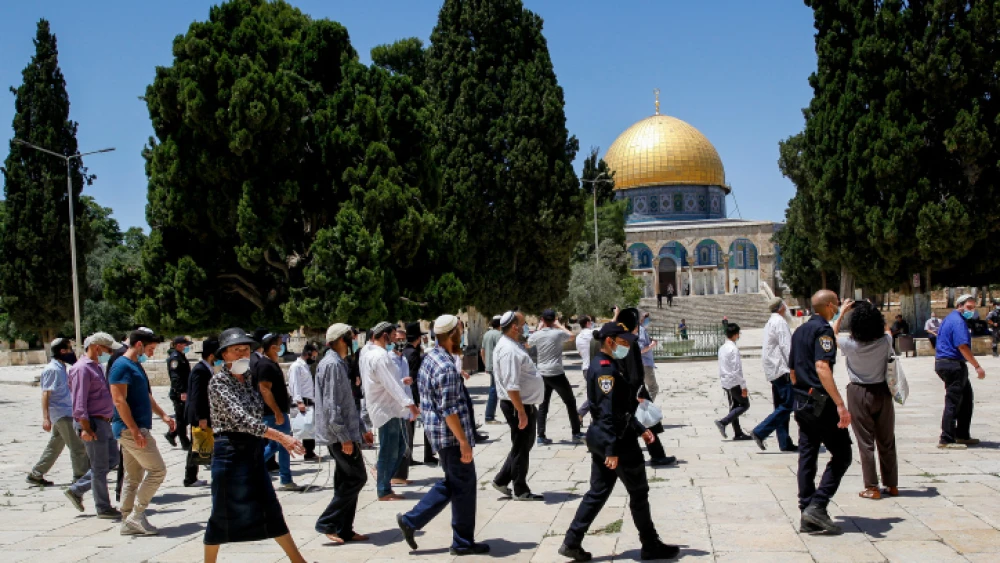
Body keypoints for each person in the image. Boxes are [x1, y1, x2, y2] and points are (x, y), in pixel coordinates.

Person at [558, 322, 679, 562]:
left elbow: (621, 408)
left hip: (607, 438)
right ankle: (650, 544)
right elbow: (607, 413)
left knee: (598, 491)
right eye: (621, 341)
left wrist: (641, 428)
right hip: (618, 442)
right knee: (639, 491)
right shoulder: (606, 369)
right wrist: (612, 450)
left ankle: (572, 540)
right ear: (609, 341)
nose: (625, 345)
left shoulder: (606, 365)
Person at [204, 328, 307, 563]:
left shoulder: (249, 378)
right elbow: (242, 420)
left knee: (269, 507)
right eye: (236, 349)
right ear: (225, 355)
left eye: (246, 349)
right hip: (229, 453)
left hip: (251, 451)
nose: (242, 353)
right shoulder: (218, 382)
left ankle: (297, 560)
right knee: (222, 514)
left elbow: (255, 415)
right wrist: (281, 437)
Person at [397, 315, 489, 556]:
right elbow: (449, 411)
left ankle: (411, 521)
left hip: (438, 435)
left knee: (454, 483)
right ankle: (461, 542)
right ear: (451, 335)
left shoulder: (431, 357)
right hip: (450, 438)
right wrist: (463, 442)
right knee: (464, 487)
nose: (462, 335)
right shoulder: (446, 367)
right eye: (459, 331)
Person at [790, 290, 852, 534]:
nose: (837, 307)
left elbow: (793, 371)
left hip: (801, 400)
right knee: (843, 454)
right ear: (828, 305)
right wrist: (839, 404)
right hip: (820, 402)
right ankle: (818, 504)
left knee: (808, 454)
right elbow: (822, 366)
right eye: (836, 304)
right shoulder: (822, 330)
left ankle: (806, 512)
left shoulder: (800, 331)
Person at [110, 329, 176, 536]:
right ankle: (136, 515)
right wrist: (134, 430)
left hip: (135, 428)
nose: (151, 353)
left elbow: (145, 396)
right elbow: (119, 400)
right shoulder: (120, 366)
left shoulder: (135, 365)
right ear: (138, 344)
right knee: (158, 471)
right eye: (150, 349)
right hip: (131, 430)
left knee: (133, 476)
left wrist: (163, 415)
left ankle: (127, 520)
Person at [314, 323, 373, 545]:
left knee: (346, 481)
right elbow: (332, 406)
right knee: (358, 477)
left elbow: (347, 402)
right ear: (341, 340)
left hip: (346, 433)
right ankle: (327, 522)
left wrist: (361, 430)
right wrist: (344, 437)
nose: (354, 340)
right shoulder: (332, 365)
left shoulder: (339, 363)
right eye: (351, 337)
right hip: (339, 436)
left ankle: (344, 529)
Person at [833, 300, 898, 500]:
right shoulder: (885, 341)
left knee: (865, 442)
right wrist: (873, 309)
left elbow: (830, 333)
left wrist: (842, 312)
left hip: (859, 392)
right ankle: (892, 484)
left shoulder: (849, 344)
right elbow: (888, 330)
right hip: (883, 391)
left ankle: (872, 486)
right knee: (886, 440)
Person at [64, 332, 122, 518]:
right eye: (107, 349)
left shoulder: (96, 367)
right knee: (99, 467)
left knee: (112, 460)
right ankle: (103, 507)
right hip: (92, 422)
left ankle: (77, 489)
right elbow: (79, 402)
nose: (110, 352)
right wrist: (85, 428)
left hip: (105, 421)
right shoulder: (82, 369)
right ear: (97, 347)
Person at [361, 321, 419, 501]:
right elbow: (389, 383)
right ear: (385, 335)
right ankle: (383, 489)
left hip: (391, 407)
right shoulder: (379, 356)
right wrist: (409, 403)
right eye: (393, 334)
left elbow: (384, 381)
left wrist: (402, 385)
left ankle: (382, 476)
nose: (396, 338)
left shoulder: (371, 353)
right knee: (390, 450)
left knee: (401, 446)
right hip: (386, 409)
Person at [491, 310, 545, 501]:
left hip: (521, 404)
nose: (525, 327)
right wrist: (521, 411)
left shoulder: (512, 345)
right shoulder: (509, 350)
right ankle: (520, 489)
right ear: (514, 327)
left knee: (522, 444)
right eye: (523, 324)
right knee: (522, 446)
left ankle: (501, 479)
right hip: (518, 405)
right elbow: (511, 385)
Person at [616, 308, 675, 467]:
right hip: (635, 389)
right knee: (647, 424)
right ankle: (656, 455)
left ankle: (655, 454)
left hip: (624, 388)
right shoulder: (631, 342)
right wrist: (640, 391)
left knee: (635, 424)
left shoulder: (617, 339)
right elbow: (634, 370)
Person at [27, 337, 89, 487]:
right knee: (78, 447)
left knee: (55, 446)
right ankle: (80, 479)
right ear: (62, 351)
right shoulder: (52, 370)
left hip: (66, 412)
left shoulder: (61, 368)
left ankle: (36, 474)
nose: (72, 352)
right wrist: (46, 418)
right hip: (62, 414)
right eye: (69, 348)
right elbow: (45, 394)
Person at [934, 294, 987, 449]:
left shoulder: (949, 319)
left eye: (973, 308)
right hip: (953, 365)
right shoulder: (958, 321)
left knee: (966, 398)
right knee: (954, 401)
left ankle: (962, 434)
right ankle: (946, 438)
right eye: (969, 307)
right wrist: (977, 366)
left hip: (945, 363)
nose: (971, 310)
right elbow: (962, 346)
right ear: (960, 305)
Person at [255, 332, 305, 491]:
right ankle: (251, 469)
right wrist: (276, 412)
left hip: (279, 412)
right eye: (279, 343)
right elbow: (264, 389)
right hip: (272, 414)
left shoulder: (272, 363)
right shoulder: (265, 365)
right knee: (280, 444)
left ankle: (285, 478)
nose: (282, 346)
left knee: (282, 444)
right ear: (272, 347)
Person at [528, 308, 583, 444]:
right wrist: (559, 325)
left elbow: (528, 343)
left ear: (542, 320)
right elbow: (571, 335)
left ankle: (540, 435)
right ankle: (576, 432)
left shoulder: (538, 335)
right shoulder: (558, 333)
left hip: (542, 373)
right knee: (570, 401)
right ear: (554, 320)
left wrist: (539, 328)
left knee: (543, 405)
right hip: (556, 372)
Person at [751, 298, 797, 452]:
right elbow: (787, 347)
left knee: (780, 407)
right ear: (781, 307)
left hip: (773, 370)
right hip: (781, 369)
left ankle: (784, 442)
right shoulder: (780, 322)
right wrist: (794, 368)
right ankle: (760, 431)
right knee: (789, 405)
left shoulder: (771, 322)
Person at [184, 337, 219, 488]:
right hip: (200, 415)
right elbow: (198, 395)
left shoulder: (204, 369)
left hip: (203, 414)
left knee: (198, 445)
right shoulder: (200, 370)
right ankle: (190, 478)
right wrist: (201, 417)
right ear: (211, 355)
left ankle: (191, 477)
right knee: (196, 445)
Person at [403, 322, 438, 467]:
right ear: (417, 338)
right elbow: (414, 378)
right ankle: (428, 455)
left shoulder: (404, 351)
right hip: (414, 395)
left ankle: (408, 457)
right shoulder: (413, 354)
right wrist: (417, 400)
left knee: (409, 428)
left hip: (406, 394)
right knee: (426, 424)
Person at [714, 324, 751, 441]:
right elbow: (737, 369)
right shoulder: (733, 349)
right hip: (734, 382)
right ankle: (723, 422)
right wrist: (743, 386)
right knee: (745, 405)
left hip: (726, 381)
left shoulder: (722, 348)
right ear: (735, 334)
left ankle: (738, 432)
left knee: (734, 406)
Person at [390, 327, 416, 485]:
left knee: (407, 442)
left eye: (403, 340)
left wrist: (413, 405)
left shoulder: (404, 359)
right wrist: (402, 382)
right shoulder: (388, 359)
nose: (401, 342)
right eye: (398, 339)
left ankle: (401, 475)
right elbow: (388, 383)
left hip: (406, 405)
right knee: (398, 443)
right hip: (395, 407)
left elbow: (407, 387)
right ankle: (395, 476)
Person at [288, 342, 319, 461]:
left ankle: (309, 451)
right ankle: (304, 450)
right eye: (313, 356)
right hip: (302, 402)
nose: (314, 359)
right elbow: (294, 384)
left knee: (309, 428)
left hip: (309, 401)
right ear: (308, 354)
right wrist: (298, 401)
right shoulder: (296, 366)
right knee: (303, 428)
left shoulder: (305, 366)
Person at [481, 316, 503, 425]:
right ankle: (489, 416)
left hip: (490, 366)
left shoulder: (486, 334)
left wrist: (486, 364)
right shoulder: (499, 335)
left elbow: (482, 351)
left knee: (494, 389)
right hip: (497, 366)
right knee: (494, 390)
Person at [638, 313, 660, 401]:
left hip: (639, 363)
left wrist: (650, 340)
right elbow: (640, 349)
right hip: (645, 363)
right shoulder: (641, 330)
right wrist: (652, 345)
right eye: (644, 317)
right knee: (653, 388)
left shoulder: (634, 330)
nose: (646, 319)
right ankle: (646, 409)